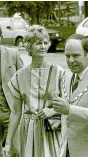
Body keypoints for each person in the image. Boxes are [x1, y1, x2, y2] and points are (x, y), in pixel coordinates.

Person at [3, 25, 65, 157]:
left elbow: (69, 103)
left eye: (45, 42)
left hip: (52, 129)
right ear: (29, 46)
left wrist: (52, 110)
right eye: (38, 43)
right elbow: (15, 112)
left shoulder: (59, 72)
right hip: (28, 131)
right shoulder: (19, 76)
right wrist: (8, 143)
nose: (43, 46)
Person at [0, 27, 23, 157]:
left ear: (1, 37)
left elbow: (24, 82)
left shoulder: (12, 54)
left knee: (15, 150)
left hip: (11, 111)